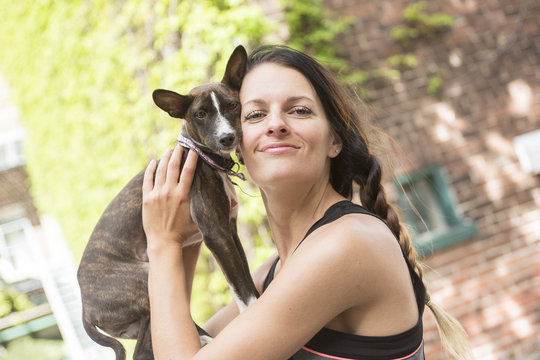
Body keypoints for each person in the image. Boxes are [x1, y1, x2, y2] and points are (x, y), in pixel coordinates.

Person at [142, 45, 471, 360]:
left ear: (334, 140)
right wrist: (189, 227)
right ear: (235, 146)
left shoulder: (349, 244)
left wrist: (163, 241)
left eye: (299, 110)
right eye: (254, 114)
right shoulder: (273, 273)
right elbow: (171, 347)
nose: (276, 124)